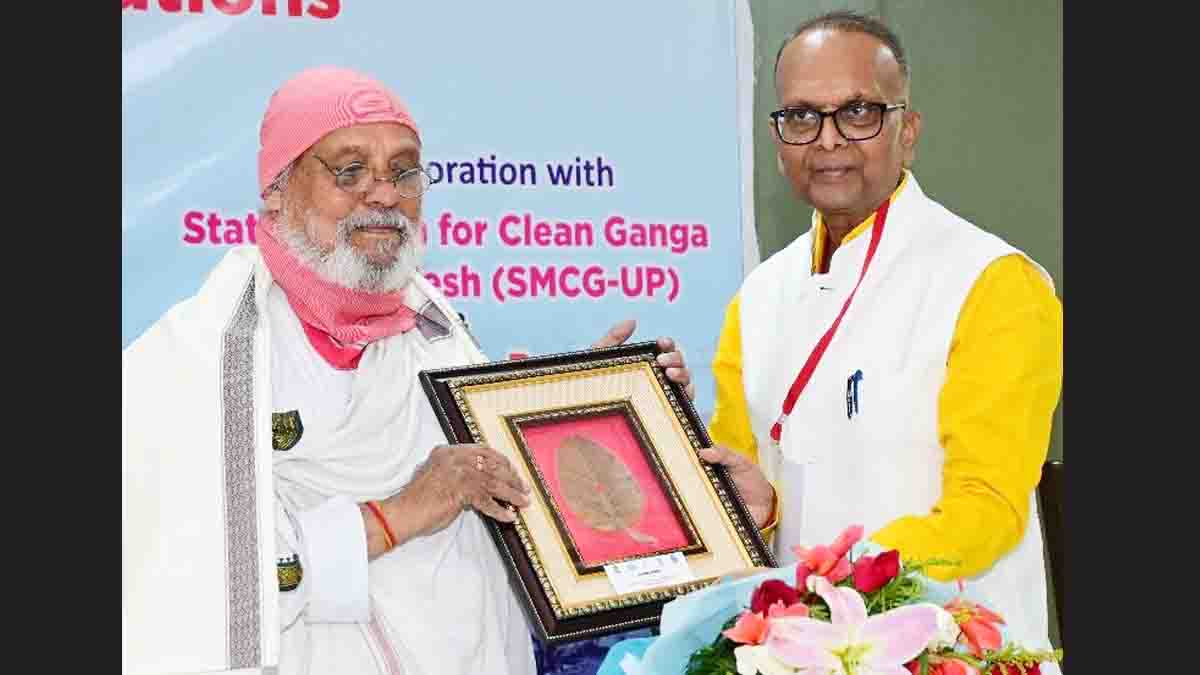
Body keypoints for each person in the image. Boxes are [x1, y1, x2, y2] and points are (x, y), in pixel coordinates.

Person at [122, 66, 695, 675]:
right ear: (277, 190)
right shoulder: (192, 363)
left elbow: (506, 511)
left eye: (404, 171)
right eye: (349, 170)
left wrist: (591, 411)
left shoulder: (439, 333)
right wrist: (400, 514)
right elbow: (193, 583)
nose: (384, 195)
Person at [696, 10, 1063, 650]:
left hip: (952, 652)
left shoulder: (993, 281)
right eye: (802, 116)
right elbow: (750, 499)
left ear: (908, 131)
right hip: (799, 653)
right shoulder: (757, 299)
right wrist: (754, 510)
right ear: (779, 140)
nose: (828, 140)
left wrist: (836, 582)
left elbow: (986, 507)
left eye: (859, 112)